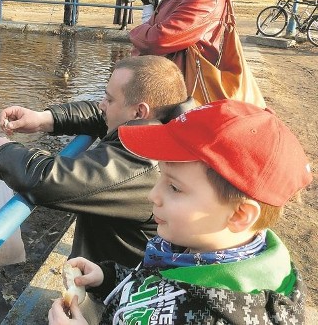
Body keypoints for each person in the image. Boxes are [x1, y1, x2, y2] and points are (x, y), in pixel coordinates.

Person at [49, 99, 312, 325]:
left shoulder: (215, 316)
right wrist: (108, 278)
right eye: (160, 177)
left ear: (239, 215)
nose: (153, 195)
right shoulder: (196, 248)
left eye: (174, 187)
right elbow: (157, 283)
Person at [0, 56, 194, 268]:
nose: (101, 105)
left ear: (139, 112)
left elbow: (48, 180)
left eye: (109, 99)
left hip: (115, 289)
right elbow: (99, 114)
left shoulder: (141, 161)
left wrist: (2, 152)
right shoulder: (170, 127)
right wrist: (44, 119)